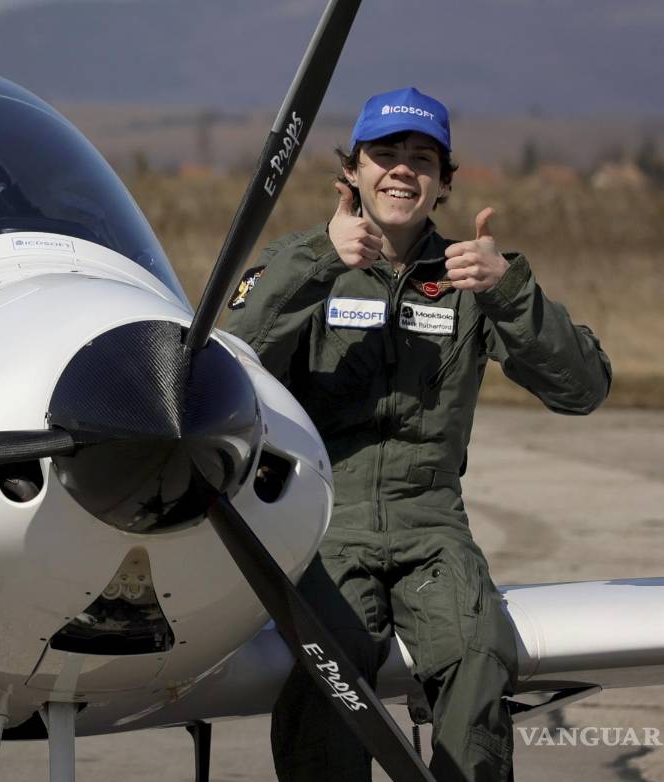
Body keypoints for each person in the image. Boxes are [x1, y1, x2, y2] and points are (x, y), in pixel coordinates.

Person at [224, 87, 612, 782]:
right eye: (386, 154)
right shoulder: (303, 263)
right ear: (354, 173)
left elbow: (584, 387)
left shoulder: (473, 279)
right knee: (328, 671)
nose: (403, 169)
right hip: (322, 524)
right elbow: (227, 367)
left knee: (479, 654)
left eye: (422, 157)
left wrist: (510, 293)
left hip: (433, 524)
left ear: (443, 183)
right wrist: (319, 258)